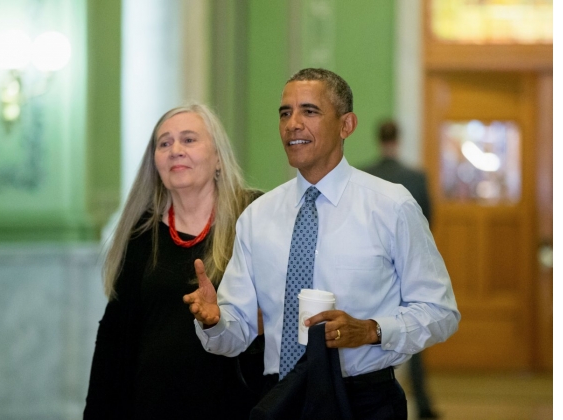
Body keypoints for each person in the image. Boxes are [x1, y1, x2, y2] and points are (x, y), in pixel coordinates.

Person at [184, 68, 460, 420]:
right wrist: (214, 321)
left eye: (309, 111)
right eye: (285, 113)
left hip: (364, 401)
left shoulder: (391, 206)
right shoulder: (257, 217)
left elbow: (440, 312)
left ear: (346, 125)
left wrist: (371, 330)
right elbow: (234, 335)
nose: (292, 124)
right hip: (280, 398)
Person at [83, 103, 264, 419]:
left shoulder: (254, 215)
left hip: (239, 404)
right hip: (153, 405)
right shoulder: (142, 231)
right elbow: (115, 337)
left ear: (218, 157)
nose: (175, 150)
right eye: (164, 143)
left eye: (189, 140)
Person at [363, 120, 439, 419]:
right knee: (414, 330)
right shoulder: (416, 177)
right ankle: (423, 403)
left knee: (371, 331)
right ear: (399, 139)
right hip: (407, 268)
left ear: (377, 139)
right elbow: (428, 223)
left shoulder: (365, 176)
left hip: (371, 269)